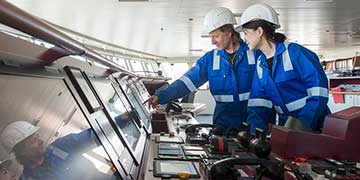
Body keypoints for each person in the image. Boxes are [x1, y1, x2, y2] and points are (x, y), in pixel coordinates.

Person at [148, 7, 257, 129]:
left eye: (215, 36)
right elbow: (186, 82)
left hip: (252, 125)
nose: (212, 42)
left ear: (229, 32)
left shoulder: (254, 54)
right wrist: (161, 96)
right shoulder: (210, 59)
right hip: (223, 126)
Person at [238, 3, 331, 133]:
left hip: (315, 126)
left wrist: (302, 125)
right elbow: (258, 104)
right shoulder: (260, 65)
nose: (244, 38)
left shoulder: (295, 53)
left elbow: (319, 91)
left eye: (246, 33)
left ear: (259, 31)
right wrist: (254, 134)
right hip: (287, 128)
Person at [0, 121, 117, 180]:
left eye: (38, 136)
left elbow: (93, 135)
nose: (41, 141)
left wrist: (121, 120)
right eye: (33, 141)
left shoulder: (61, 146)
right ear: (22, 152)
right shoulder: (28, 178)